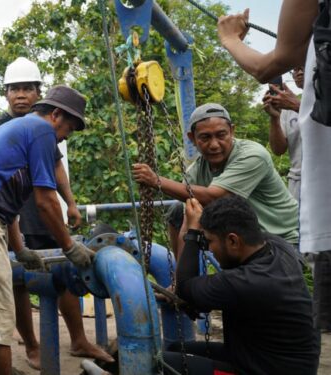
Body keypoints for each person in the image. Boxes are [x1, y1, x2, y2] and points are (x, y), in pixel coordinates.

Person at [0, 85, 96, 375]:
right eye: (68, 129)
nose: (64, 138)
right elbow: (46, 202)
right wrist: (69, 246)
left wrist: (20, 250)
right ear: (56, 115)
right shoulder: (41, 131)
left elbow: (8, 207)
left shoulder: (21, 131)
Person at [0, 57, 111, 369]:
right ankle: (33, 346)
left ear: (40, 95)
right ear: (6, 93)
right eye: (15, 89)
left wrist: (71, 203)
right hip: (12, 213)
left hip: (45, 211)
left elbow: (55, 164)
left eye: (28, 88)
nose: (21, 95)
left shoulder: (46, 129)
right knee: (18, 280)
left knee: (62, 273)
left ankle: (78, 339)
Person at [216, 3, 331, 331]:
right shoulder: (296, 107)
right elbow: (280, 147)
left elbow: (269, 64)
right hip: (303, 185)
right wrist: (275, 117)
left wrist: (229, 38)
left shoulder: (307, 99)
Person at [163, 195, 319, 374]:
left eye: (210, 241)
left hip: (264, 369)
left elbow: (184, 287)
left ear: (233, 241)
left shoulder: (246, 281)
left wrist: (192, 232)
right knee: (176, 349)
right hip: (264, 358)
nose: (209, 248)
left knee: (161, 364)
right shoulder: (279, 247)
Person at [132, 103, 299, 255]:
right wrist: (180, 280)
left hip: (281, 241)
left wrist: (156, 181)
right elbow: (187, 224)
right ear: (192, 139)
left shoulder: (253, 155)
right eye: (205, 137)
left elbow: (216, 196)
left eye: (221, 135)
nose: (214, 145)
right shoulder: (197, 170)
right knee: (178, 212)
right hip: (240, 240)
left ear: (232, 131)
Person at [262, 68, 303, 199]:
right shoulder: (287, 106)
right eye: (296, 70)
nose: (299, 73)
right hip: (298, 182)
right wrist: (274, 118)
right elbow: (278, 150)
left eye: (303, 67)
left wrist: (297, 106)